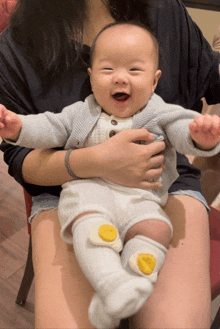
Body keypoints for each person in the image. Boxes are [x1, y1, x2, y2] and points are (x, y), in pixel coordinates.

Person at [0, 0, 219, 328]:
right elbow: (31, 145)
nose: (122, 81)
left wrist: (204, 138)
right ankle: (112, 283)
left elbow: (187, 117)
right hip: (71, 194)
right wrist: (95, 161)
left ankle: (133, 274)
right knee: (91, 233)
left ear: (154, 77)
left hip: (158, 189)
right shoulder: (18, 46)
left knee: (155, 237)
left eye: (135, 70)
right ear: (91, 75)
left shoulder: (165, 12)